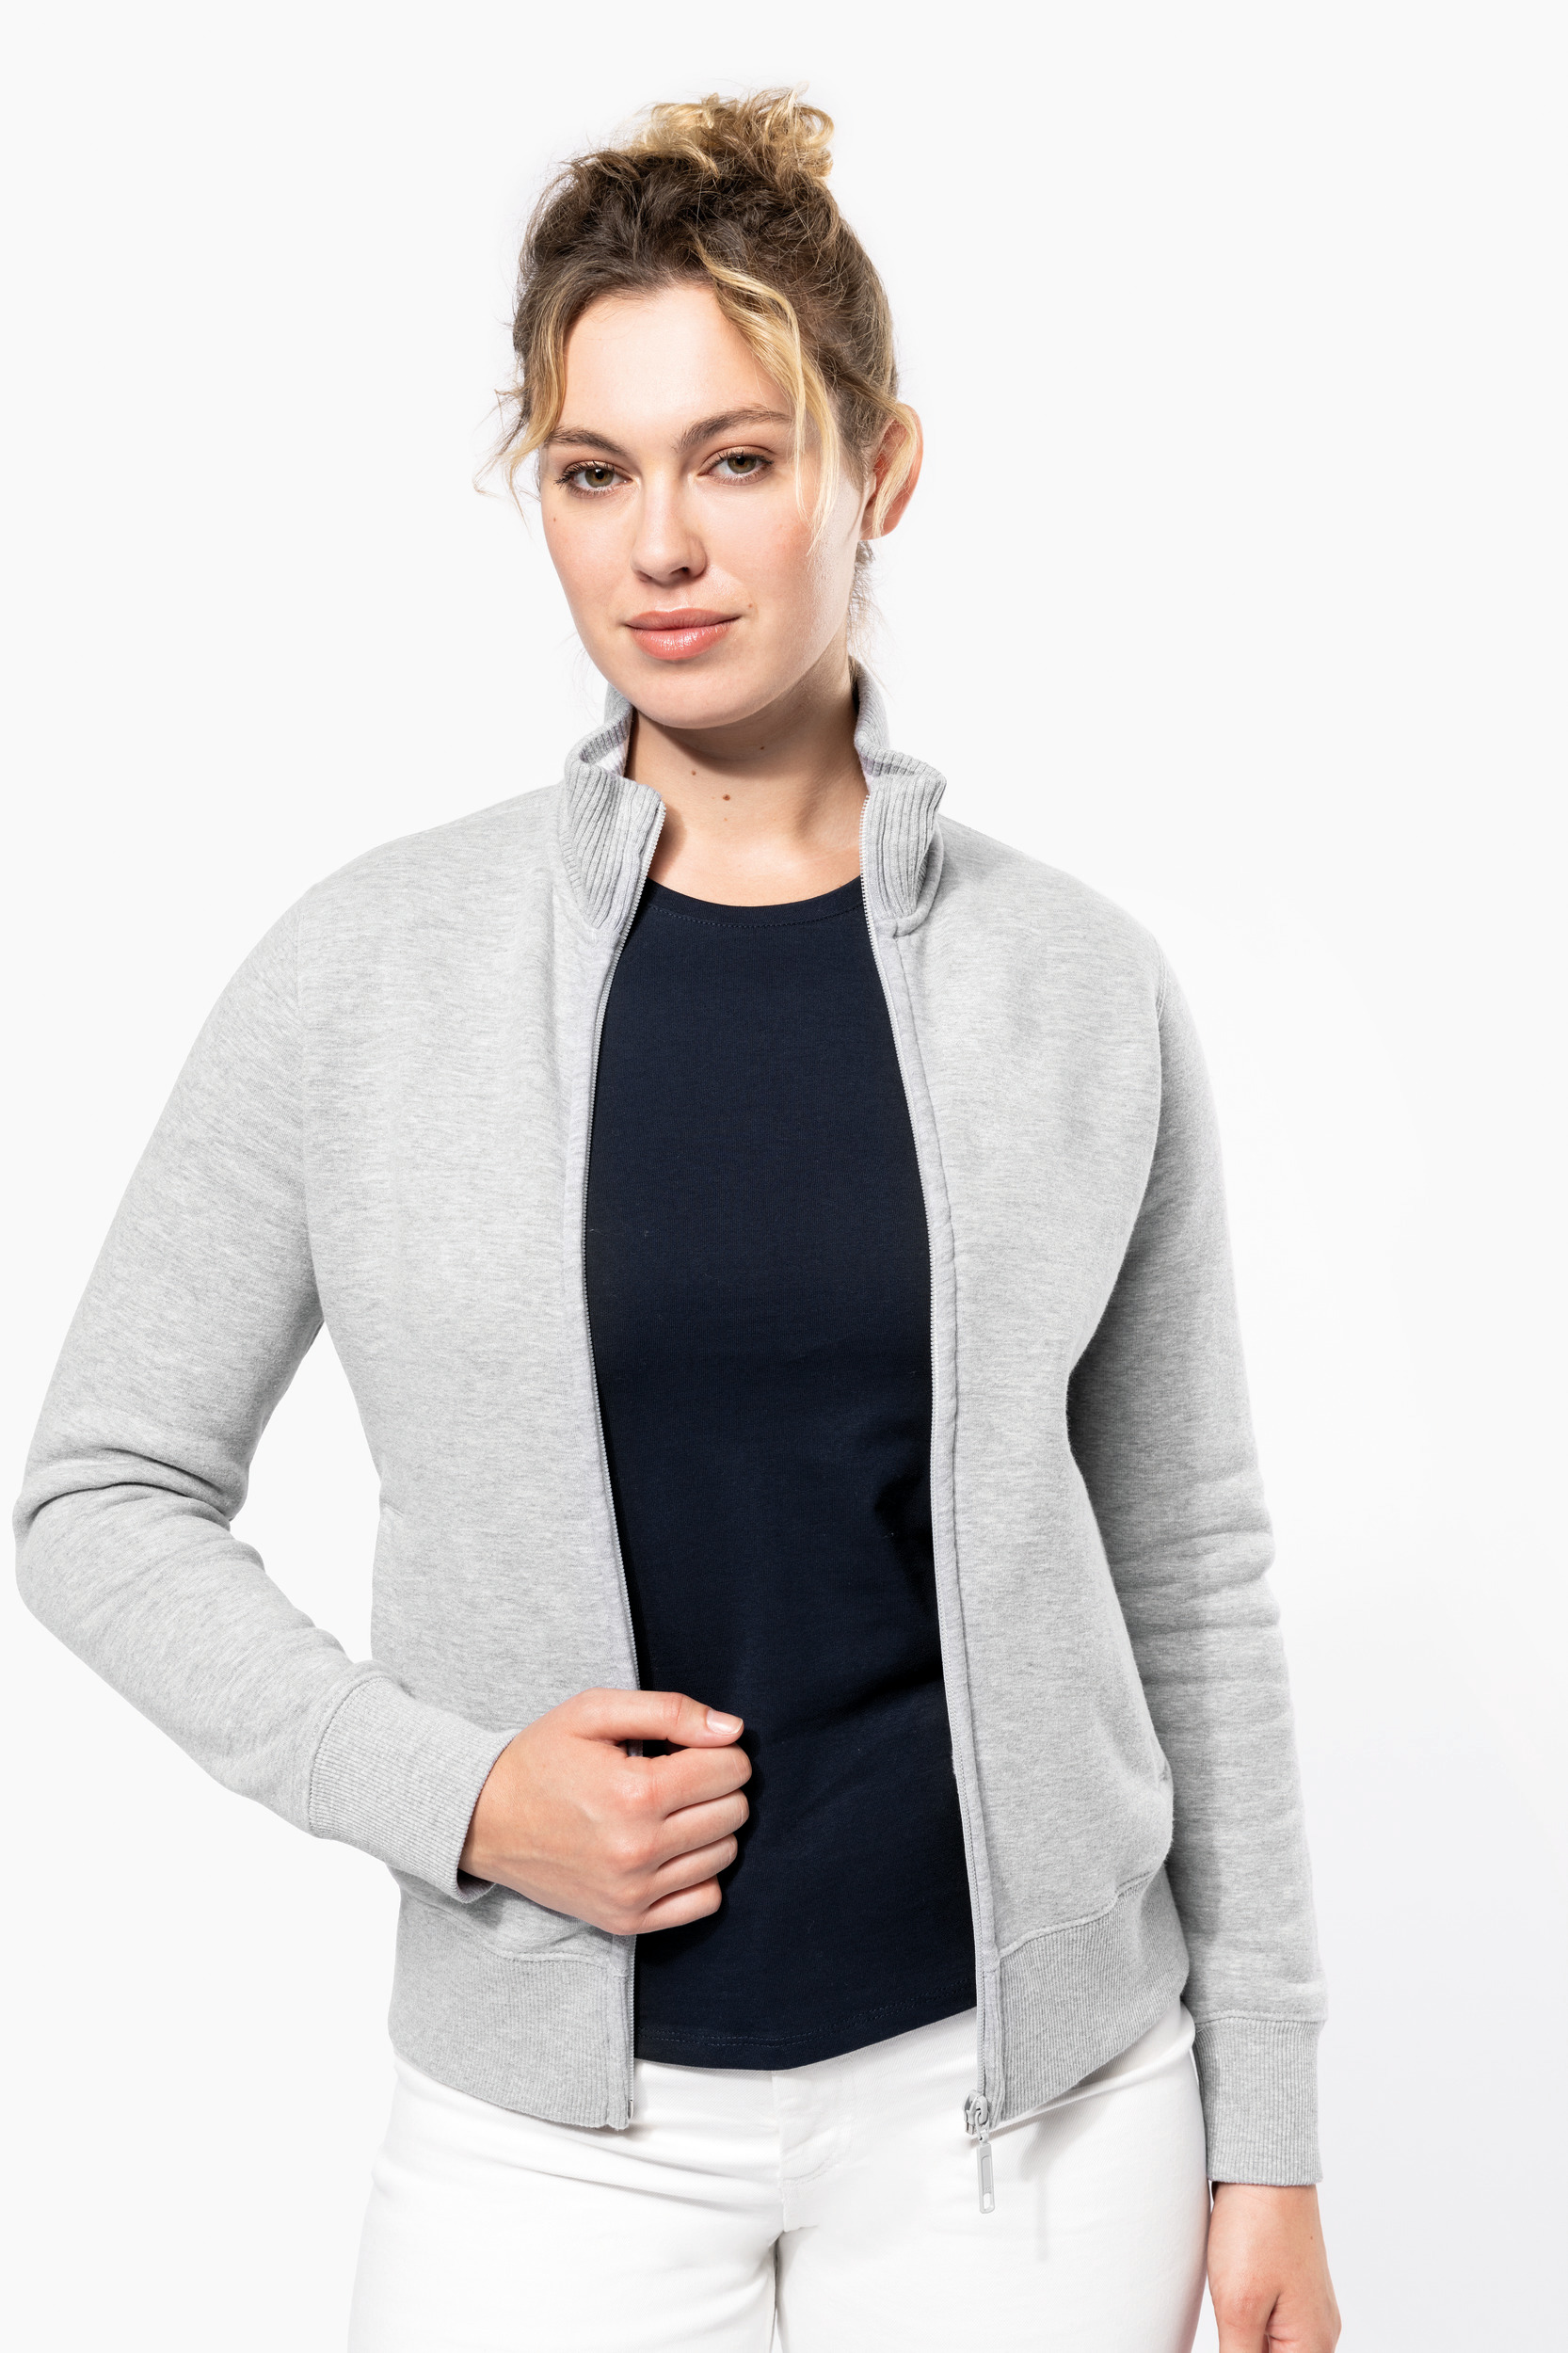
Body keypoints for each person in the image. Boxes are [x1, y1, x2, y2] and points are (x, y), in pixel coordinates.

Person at [14, 88, 1340, 2353]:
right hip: (546, 2140)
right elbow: (97, 1494)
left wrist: (1270, 2132)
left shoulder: (1073, 982)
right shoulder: (368, 969)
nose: (660, 547)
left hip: (1029, 2130)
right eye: (589, 470)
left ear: (876, 469)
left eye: (735, 458)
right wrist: (458, 1794)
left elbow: (1185, 1563)